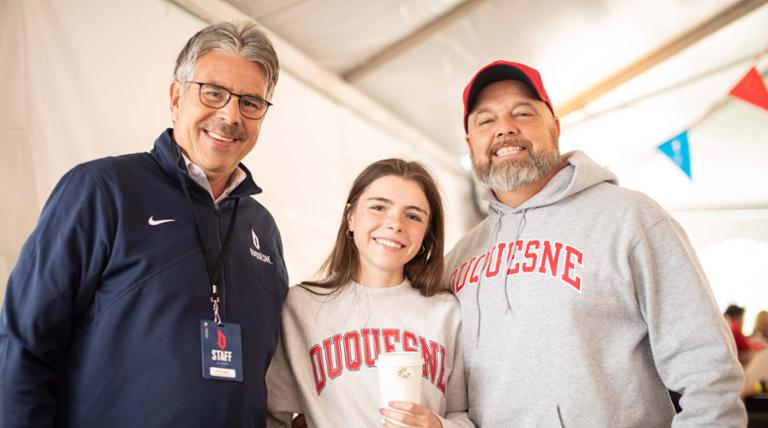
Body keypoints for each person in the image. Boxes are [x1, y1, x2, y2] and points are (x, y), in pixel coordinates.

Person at [0, 22, 288, 427]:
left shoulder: (263, 230)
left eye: (250, 102)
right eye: (213, 92)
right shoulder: (102, 191)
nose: (229, 115)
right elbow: (23, 346)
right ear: (176, 97)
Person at [444, 60, 746, 426]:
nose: (505, 128)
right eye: (485, 120)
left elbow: (707, 372)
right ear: (470, 143)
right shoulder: (459, 257)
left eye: (522, 112)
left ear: (555, 128)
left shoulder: (631, 219)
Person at [266, 159, 472, 428]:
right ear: (350, 217)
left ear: (427, 234)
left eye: (413, 216)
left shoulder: (447, 312)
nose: (395, 224)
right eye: (378, 207)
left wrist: (438, 425)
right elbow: (274, 415)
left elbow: (464, 416)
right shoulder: (299, 307)